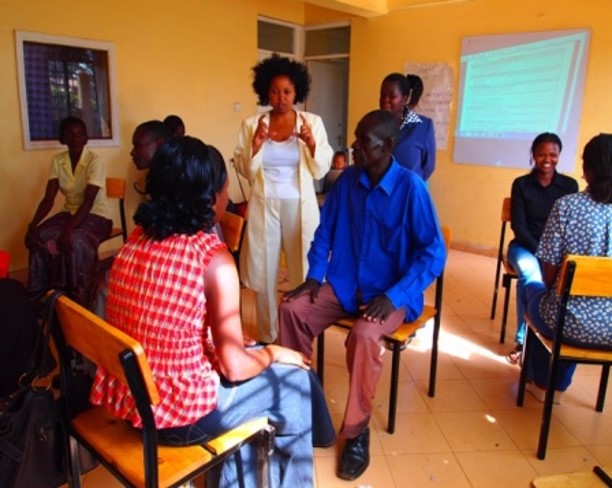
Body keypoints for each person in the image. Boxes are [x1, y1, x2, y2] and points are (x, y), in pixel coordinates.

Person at [90, 136, 332, 487]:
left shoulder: (135, 240)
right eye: (225, 187)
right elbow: (234, 368)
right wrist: (273, 352)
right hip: (178, 418)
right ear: (210, 197)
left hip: (133, 400)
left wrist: (238, 346)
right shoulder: (212, 259)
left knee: (256, 364)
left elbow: (168, 317)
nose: (228, 194)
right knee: (293, 382)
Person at [278, 110, 446, 481]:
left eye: (362, 141)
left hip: (388, 294)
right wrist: (314, 276)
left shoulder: (411, 188)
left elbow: (433, 253)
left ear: (387, 146)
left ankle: (356, 431)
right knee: (291, 309)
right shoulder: (347, 182)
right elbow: (324, 231)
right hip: (344, 285)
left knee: (365, 335)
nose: (353, 146)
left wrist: (395, 294)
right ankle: (301, 405)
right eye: (355, 137)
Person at [234, 53, 333, 344]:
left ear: (296, 92)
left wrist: (312, 145)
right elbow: (244, 169)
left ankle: (301, 329)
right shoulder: (252, 124)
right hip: (264, 204)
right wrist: (255, 146)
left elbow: (322, 168)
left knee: (303, 266)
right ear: (265, 92)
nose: (281, 98)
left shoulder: (312, 122)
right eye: (275, 91)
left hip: (299, 206)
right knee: (264, 270)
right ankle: (268, 334)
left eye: (287, 91)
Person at [522, 133, 612, 403]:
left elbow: (549, 276)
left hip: (567, 324)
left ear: (587, 169)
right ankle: (559, 386)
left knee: (534, 291)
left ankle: (540, 382)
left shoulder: (566, 207)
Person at [505, 133, 578, 364]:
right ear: (533, 155)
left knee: (559, 281)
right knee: (532, 276)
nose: (547, 160)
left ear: (559, 156)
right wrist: (542, 254)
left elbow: (571, 227)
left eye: (553, 155)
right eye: (541, 154)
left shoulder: (569, 186)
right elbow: (519, 227)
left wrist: (552, 256)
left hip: (557, 253)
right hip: (524, 247)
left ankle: (545, 337)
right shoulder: (521, 184)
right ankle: (523, 341)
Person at [25, 117, 112, 306]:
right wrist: (32, 225)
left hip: (97, 215)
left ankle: (79, 295)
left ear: (86, 138)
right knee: (39, 235)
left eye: (80, 134)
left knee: (75, 240)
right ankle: (42, 295)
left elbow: (88, 201)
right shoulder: (58, 160)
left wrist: (68, 229)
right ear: (63, 138)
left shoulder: (95, 161)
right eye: (70, 135)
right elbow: (49, 198)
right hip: (69, 213)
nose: (76, 138)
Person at [379, 73, 436, 180]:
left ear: (404, 99)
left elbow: (428, 167)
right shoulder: (374, 124)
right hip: (379, 188)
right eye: (383, 95)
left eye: (392, 96)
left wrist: (411, 184)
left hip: (408, 189)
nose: (385, 100)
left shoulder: (423, 126)